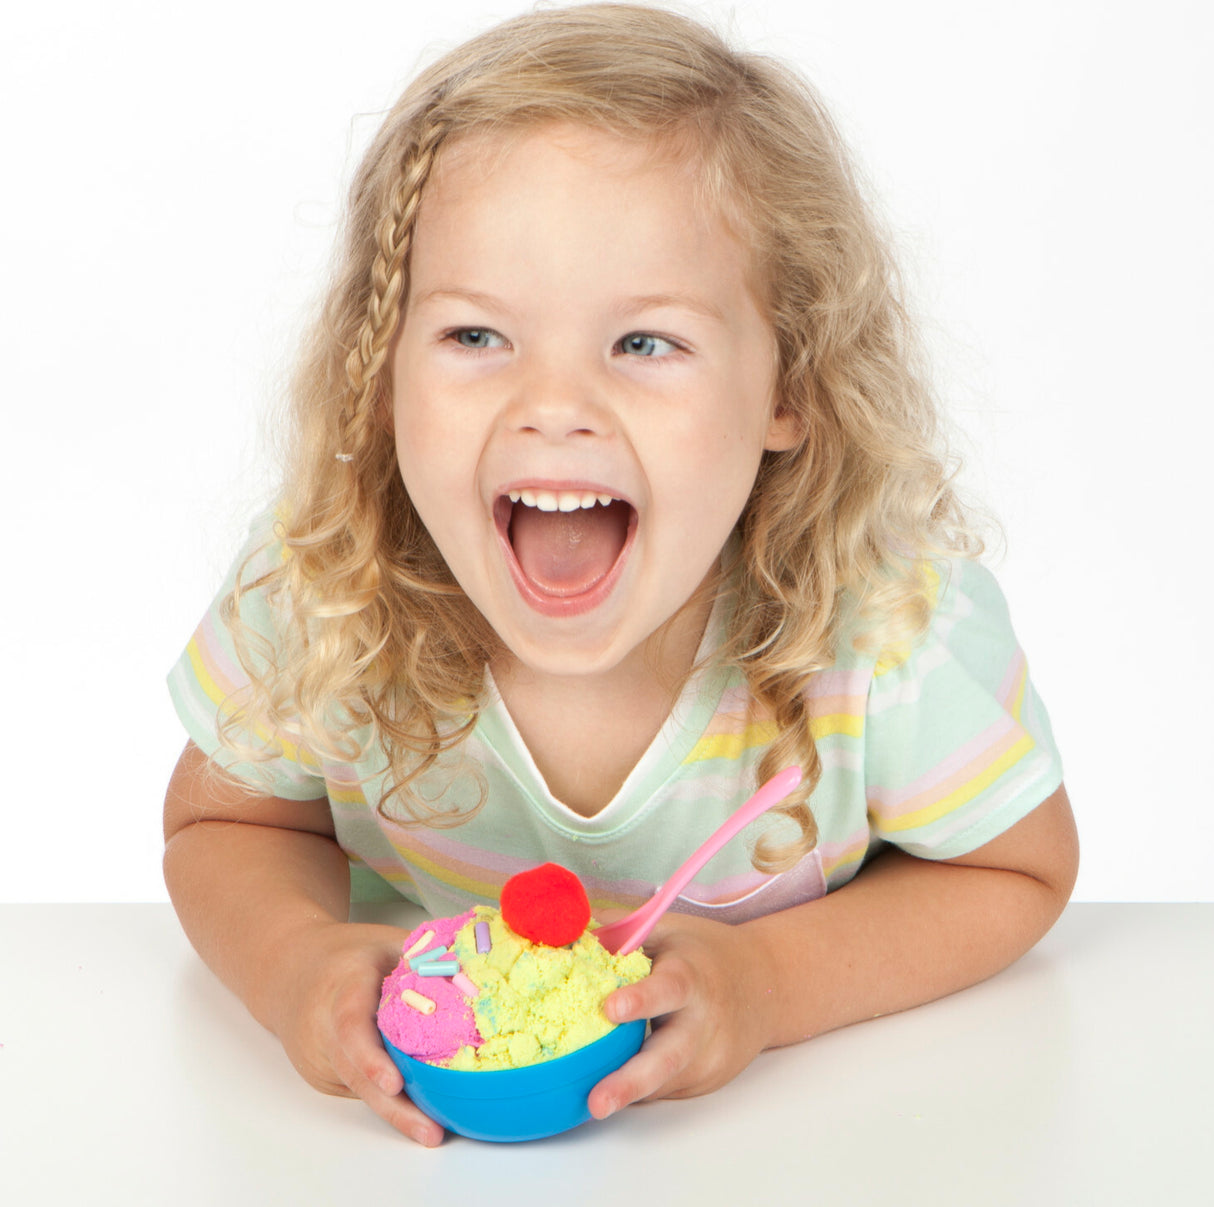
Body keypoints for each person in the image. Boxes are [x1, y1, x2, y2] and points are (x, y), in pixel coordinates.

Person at [163, 3, 1079, 1147]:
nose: (553, 405)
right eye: (474, 337)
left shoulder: (880, 628)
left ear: (787, 388)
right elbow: (222, 828)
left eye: (644, 343)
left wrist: (771, 982)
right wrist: (293, 960)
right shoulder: (325, 587)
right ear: (377, 371)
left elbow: (1020, 871)